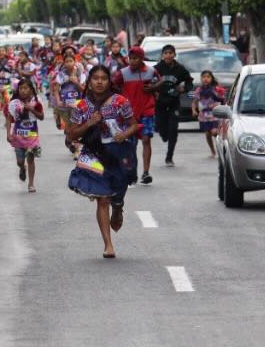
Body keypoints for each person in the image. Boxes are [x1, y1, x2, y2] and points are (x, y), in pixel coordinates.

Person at [66, 65, 142, 258]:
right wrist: (89, 123)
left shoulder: (120, 102)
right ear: (89, 83)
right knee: (103, 198)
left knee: (116, 196)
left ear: (109, 82)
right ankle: (108, 245)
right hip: (94, 154)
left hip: (118, 155)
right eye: (95, 78)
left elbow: (134, 125)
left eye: (103, 78)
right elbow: (71, 134)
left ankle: (118, 208)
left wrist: (123, 134)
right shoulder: (81, 106)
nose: (99, 82)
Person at [112, 46, 158, 185]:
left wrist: (154, 88)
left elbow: (160, 82)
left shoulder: (151, 71)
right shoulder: (123, 73)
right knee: (131, 145)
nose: (132, 61)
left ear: (142, 58)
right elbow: (113, 85)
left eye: (136, 58)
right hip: (129, 114)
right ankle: (133, 172)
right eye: (130, 58)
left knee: (146, 140)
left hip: (147, 111)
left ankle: (146, 172)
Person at [151, 45, 192, 166]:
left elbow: (189, 82)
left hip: (174, 103)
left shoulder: (180, 69)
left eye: (170, 53)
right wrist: (154, 92)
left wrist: (184, 88)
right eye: (166, 53)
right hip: (160, 104)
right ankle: (164, 134)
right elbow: (148, 82)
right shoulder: (157, 69)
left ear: (174, 54)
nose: (168, 55)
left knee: (173, 130)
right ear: (162, 55)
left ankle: (169, 157)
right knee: (161, 129)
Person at [6, 78, 44, 193]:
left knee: (31, 159)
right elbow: (9, 119)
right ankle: (22, 168)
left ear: (31, 90)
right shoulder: (14, 103)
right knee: (20, 161)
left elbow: (41, 117)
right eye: (21, 88)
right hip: (18, 136)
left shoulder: (36, 101)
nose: (23, 91)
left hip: (32, 136)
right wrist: (8, 133)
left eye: (26, 88)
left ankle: (31, 183)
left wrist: (32, 109)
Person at [190, 71, 226, 158]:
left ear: (211, 78)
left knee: (214, 132)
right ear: (201, 79)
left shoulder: (216, 88)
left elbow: (223, 99)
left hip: (215, 114)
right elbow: (194, 102)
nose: (206, 79)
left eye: (208, 77)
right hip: (204, 115)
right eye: (204, 77)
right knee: (207, 134)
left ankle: (222, 147)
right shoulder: (199, 90)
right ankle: (213, 151)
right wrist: (194, 110)